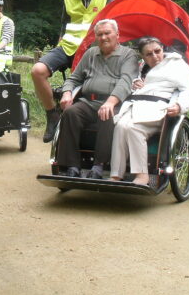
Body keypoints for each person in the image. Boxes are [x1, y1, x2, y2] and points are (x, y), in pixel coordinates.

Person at [32, 0, 114, 143]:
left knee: (84, 89)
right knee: (37, 71)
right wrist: (58, 46)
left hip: (93, 50)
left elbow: (112, 23)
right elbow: (64, 26)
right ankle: (52, 114)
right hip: (68, 47)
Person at [56, 19, 139, 179]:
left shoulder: (128, 55)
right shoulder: (90, 53)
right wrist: (67, 93)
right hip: (88, 102)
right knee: (70, 113)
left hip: (114, 104)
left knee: (106, 115)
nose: (103, 37)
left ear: (117, 35)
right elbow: (74, 79)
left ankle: (99, 166)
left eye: (107, 33)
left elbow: (126, 81)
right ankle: (72, 166)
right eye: (99, 34)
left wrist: (110, 102)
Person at [109, 37, 189, 186]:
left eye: (157, 51)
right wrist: (136, 83)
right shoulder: (143, 67)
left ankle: (142, 176)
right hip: (137, 105)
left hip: (159, 109)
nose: (155, 56)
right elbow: (135, 84)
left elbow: (188, 90)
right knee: (121, 126)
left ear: (163, 48)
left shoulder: (177, 65)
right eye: (149, 54)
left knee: (133, 128)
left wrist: (180, 106)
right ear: (143, 56)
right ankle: (116, 175)